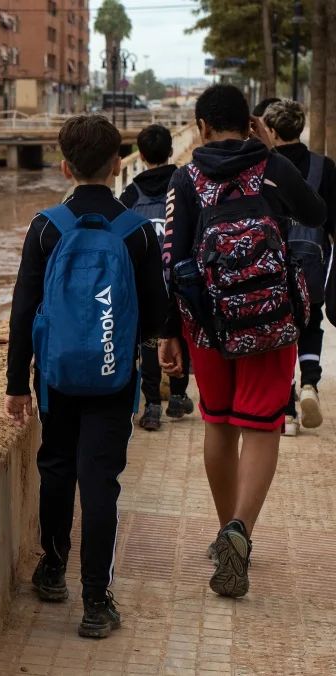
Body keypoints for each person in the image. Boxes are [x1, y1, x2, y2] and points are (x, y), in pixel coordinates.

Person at [159, 85, 327, 599]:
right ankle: (242, 530)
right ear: (251, 123)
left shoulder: (185, 178)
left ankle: (223, 532)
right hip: (271, 320)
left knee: (218, 422)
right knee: (261, 426)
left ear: (201, 126)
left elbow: (172, 259)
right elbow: (315, 214)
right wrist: (273, 153)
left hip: (208, 326)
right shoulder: (271, 166)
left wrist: (169, 332)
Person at [5, 115, 168, 639]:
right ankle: (97, 602)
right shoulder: (137, 232)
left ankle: (52, 569)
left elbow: (23, 310)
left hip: (55, 377)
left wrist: (15, 384)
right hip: (113, 377)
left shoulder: (45, 227)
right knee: (100, 482)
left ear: (64, 167)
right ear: (119, 164)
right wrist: (155, 354)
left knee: (56, 468)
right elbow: (155, 315)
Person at [260, 99, 335, 435]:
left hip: (272, 264)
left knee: (279, 332)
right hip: (312, 263)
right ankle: (310, 384)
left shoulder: (264, 166)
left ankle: (287, 412)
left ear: (272, 131)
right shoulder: (324, 167)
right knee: (311, 323)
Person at [120, 124, 195, 431]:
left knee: (150, 340)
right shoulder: (185, 185)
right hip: (180, 277)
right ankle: (177, 396)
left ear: (141, 154)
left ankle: (151, 405)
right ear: (170, 151)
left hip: (144, 282)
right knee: (180, 333)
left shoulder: (130, 193)